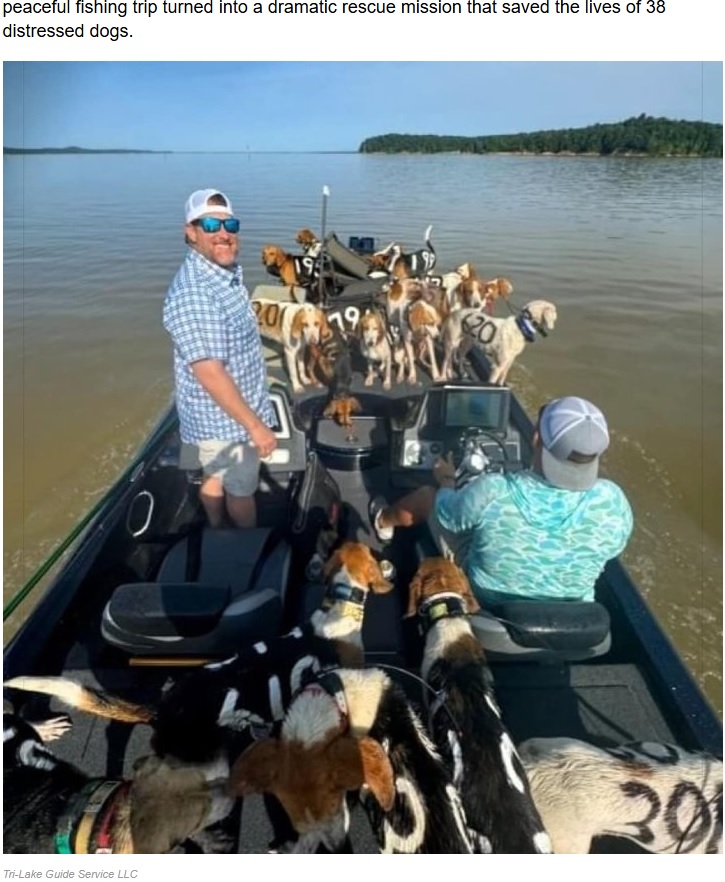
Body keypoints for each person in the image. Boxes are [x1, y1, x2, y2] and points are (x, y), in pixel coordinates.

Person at [370, 396, 633, 607]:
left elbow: (449, 516)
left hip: (488, 601)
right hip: (574, 611)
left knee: (430, 497)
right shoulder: (613, 501)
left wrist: (448, 481)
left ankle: (383, 521)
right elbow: (611, 549)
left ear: (536, 439)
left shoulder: (494, 490)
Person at [163, 188, 277, 529]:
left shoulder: (220, 274)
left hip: (226, 415)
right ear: (191, 231)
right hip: (227, 423)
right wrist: (255, 426)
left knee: (213, 476)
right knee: (241, 491)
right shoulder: (195, 295)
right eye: (211, 224)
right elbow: (210, 372)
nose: (224, 233)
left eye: (231, 224)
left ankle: (216, 529)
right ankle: (244, 543)